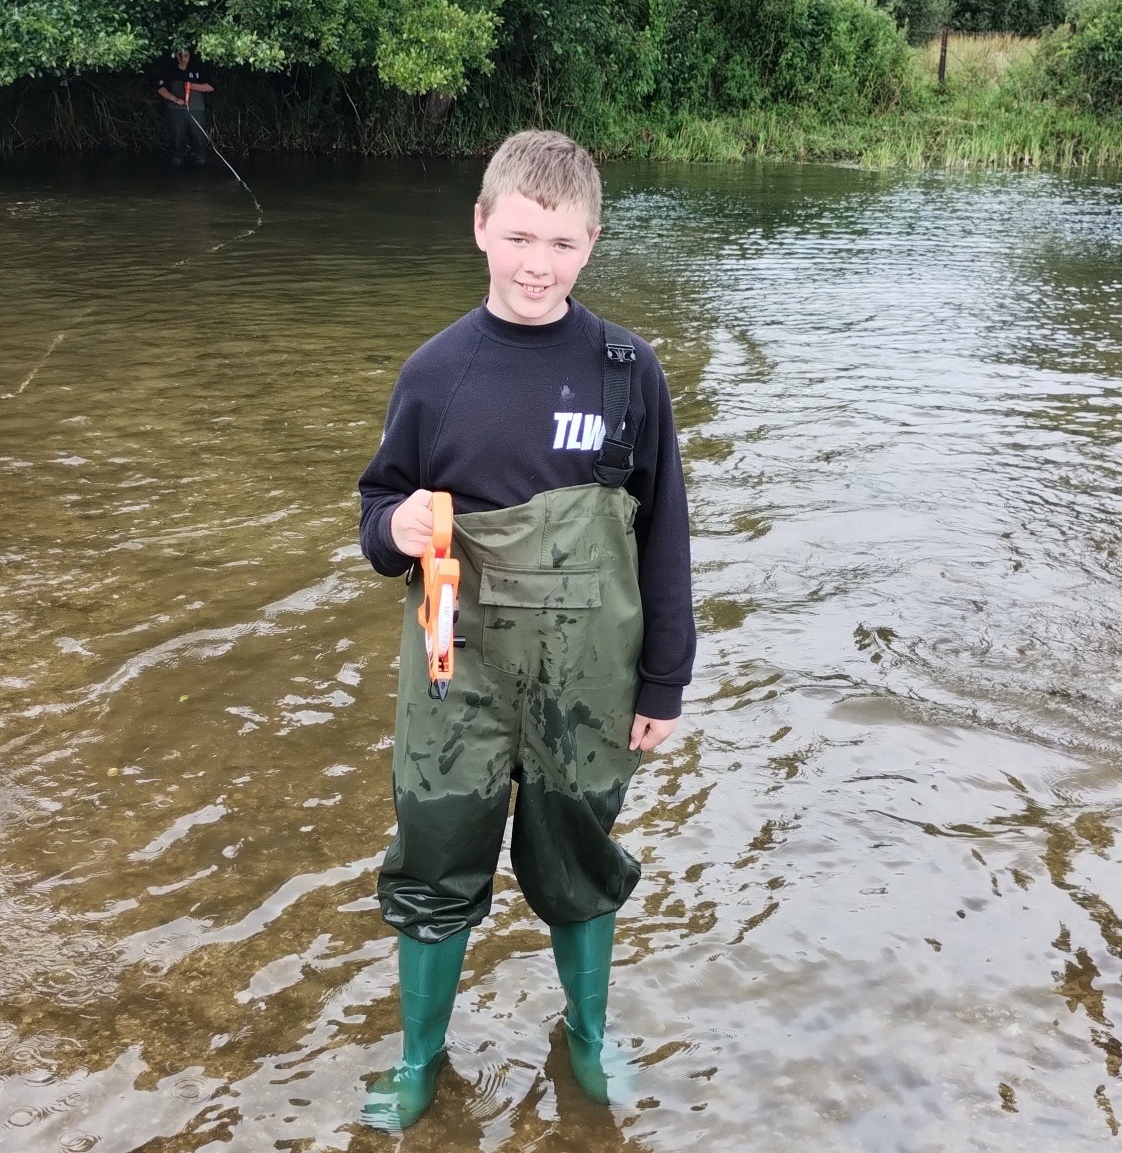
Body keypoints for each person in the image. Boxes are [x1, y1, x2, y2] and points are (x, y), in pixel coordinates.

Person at [356, 129, 695, 1131]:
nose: (536, 263)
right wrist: (397, 527)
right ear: (479, 229)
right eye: (517, 237)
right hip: (453, 672)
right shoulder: (433, 372)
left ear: (590, 244)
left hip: (587, 674)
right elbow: (377, 512)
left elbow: (663, 530)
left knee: (578, 853)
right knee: (434, 855)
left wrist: (663, 681)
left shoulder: (627, 371)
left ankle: (587, 1037)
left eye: (559, 242)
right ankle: (421, 1058)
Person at [156, 47, 214, 166]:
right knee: (177, 136)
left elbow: (211, 87)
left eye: (186, 55)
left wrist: (192, 86)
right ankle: (177, 160)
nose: (183, 58)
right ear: (176, 56)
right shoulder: (169, 69)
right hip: (176, 109)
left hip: (196, 108)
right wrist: (175, 99)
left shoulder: (198, 69)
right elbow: (160, 88)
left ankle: (200, 159)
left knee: (198, 136)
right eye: (180, 55)